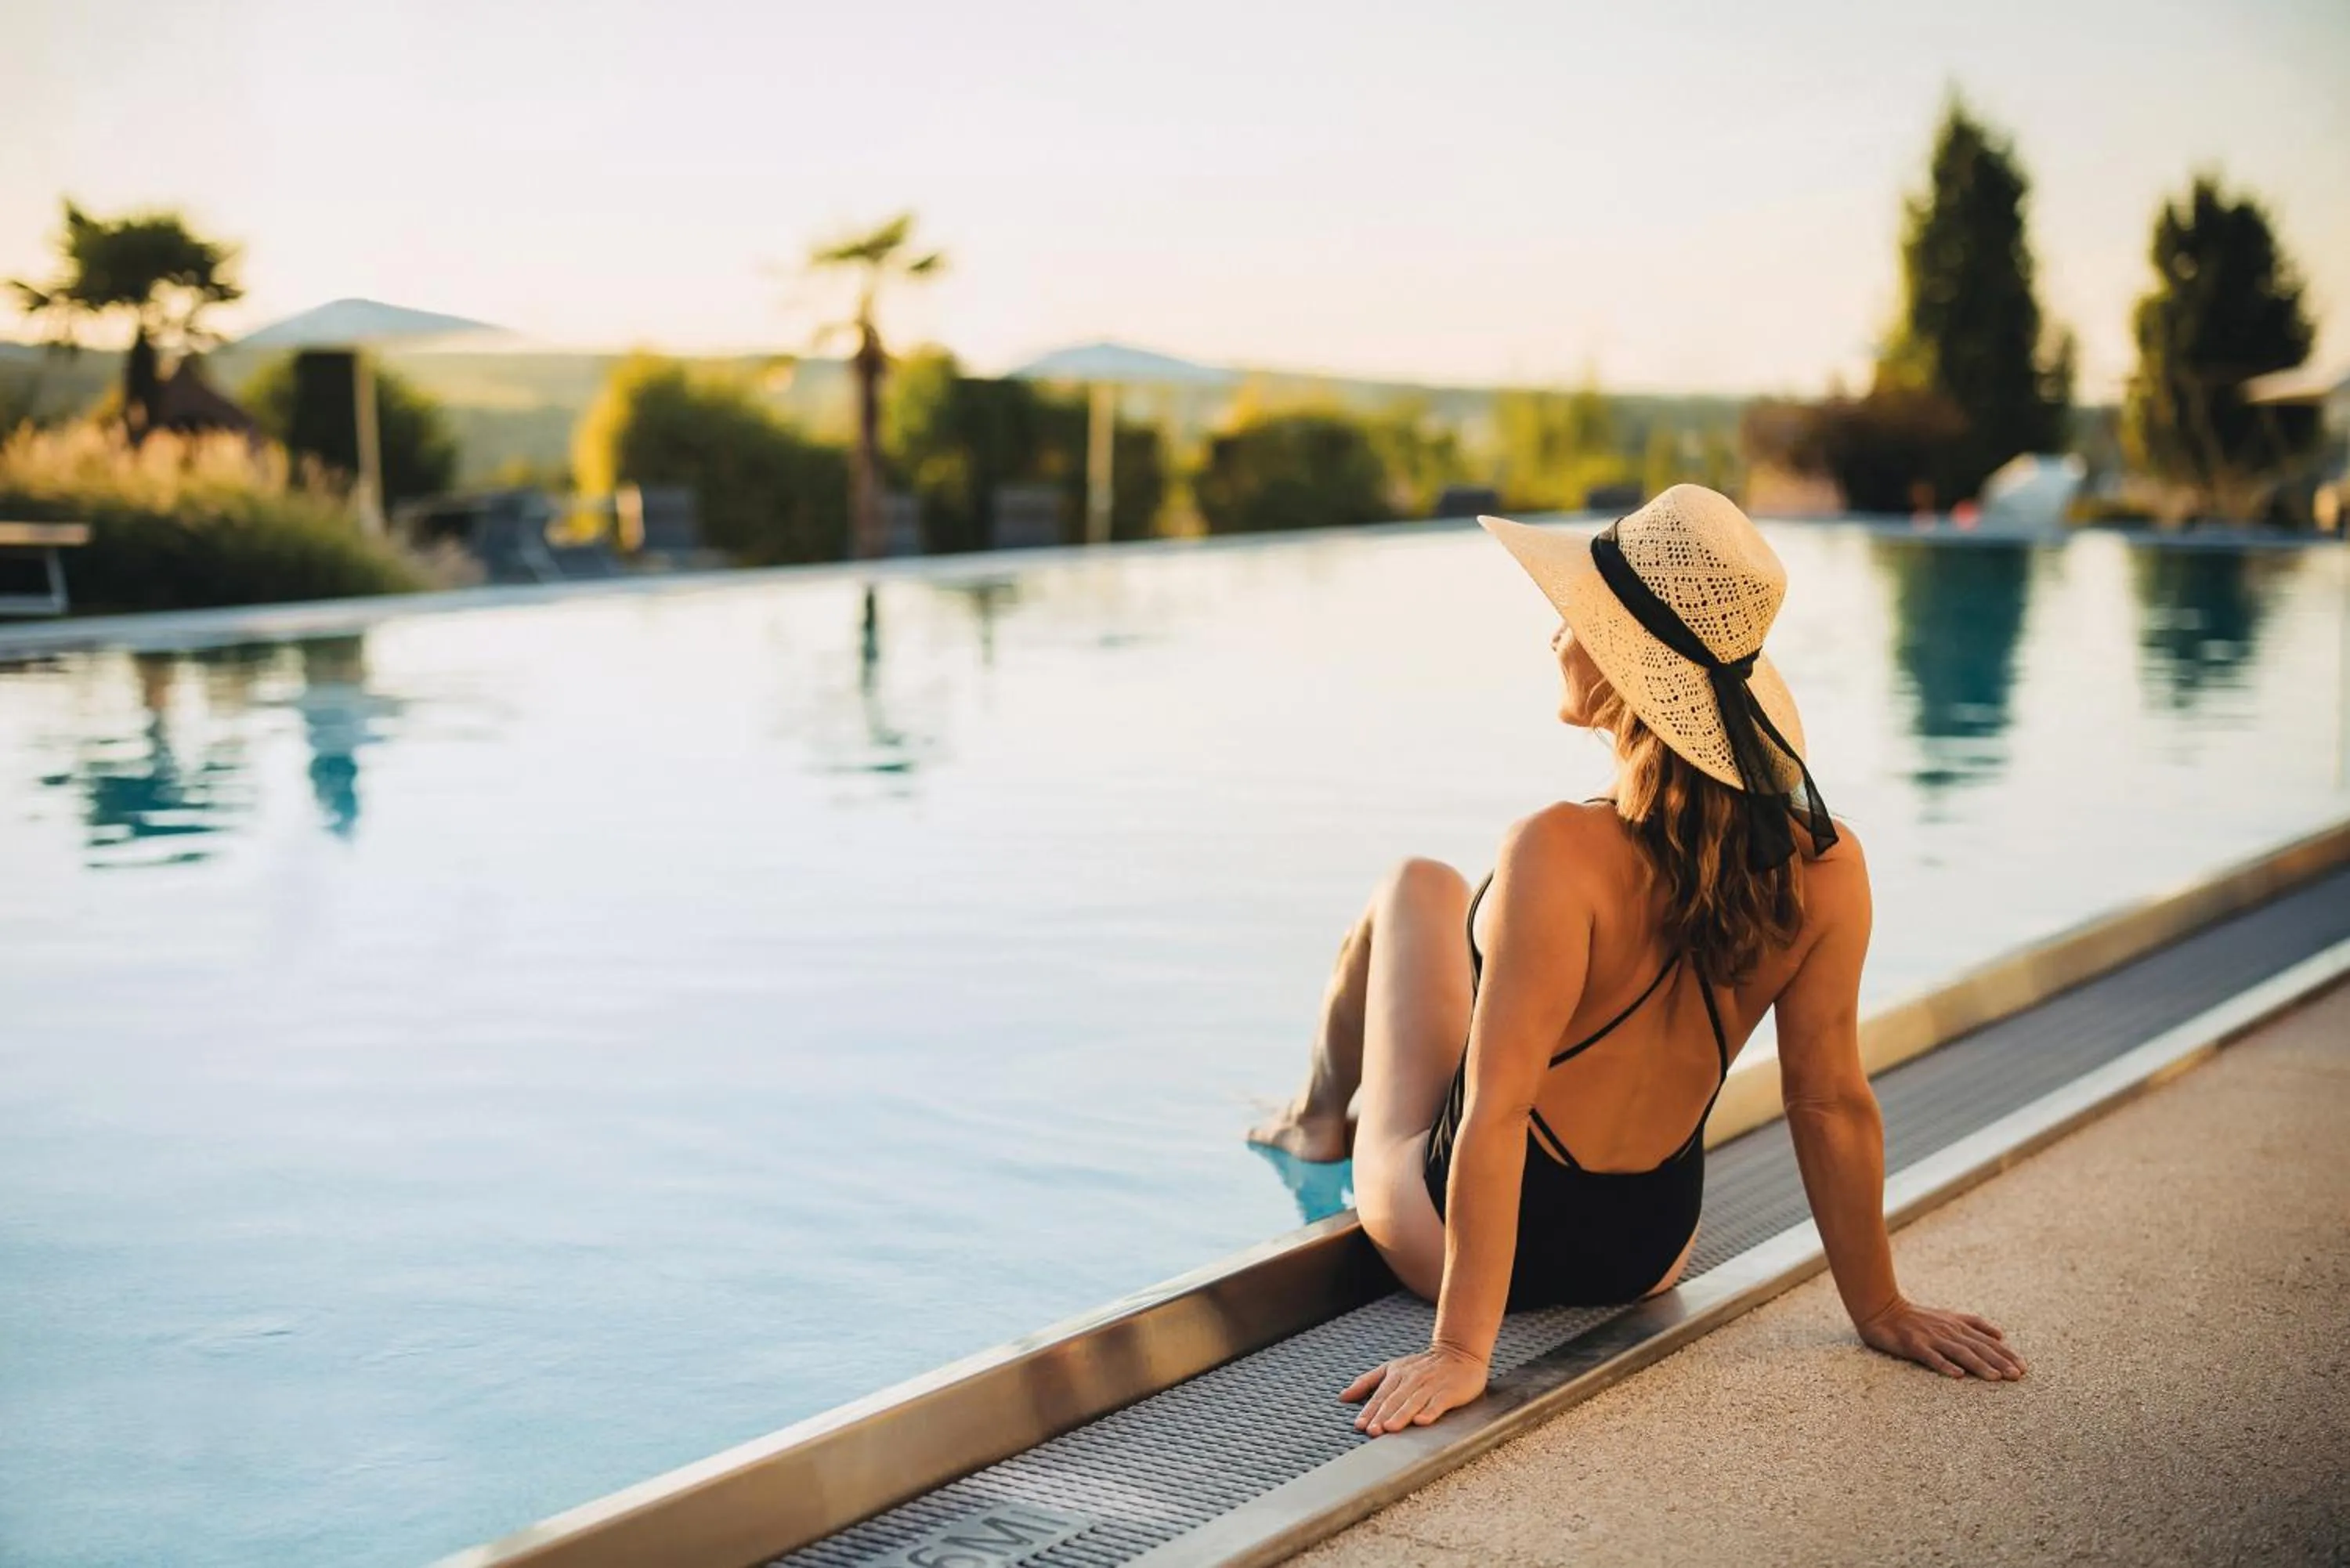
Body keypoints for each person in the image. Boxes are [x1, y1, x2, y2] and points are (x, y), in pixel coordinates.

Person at [1247, 485, 2026, 1439]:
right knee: (1464, 946)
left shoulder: (1556, 849)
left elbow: (1498, 1110)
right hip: (1648, 1248)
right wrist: (1881, 1306)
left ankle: (1317, 1118)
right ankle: (1322, 1112)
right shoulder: (1827, 866)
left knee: (1418, 885)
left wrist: (1461, 1350)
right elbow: (1830, 1101)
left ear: (1624, 667)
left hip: (1453, 1238)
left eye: (1575, 617)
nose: (1554, 636)